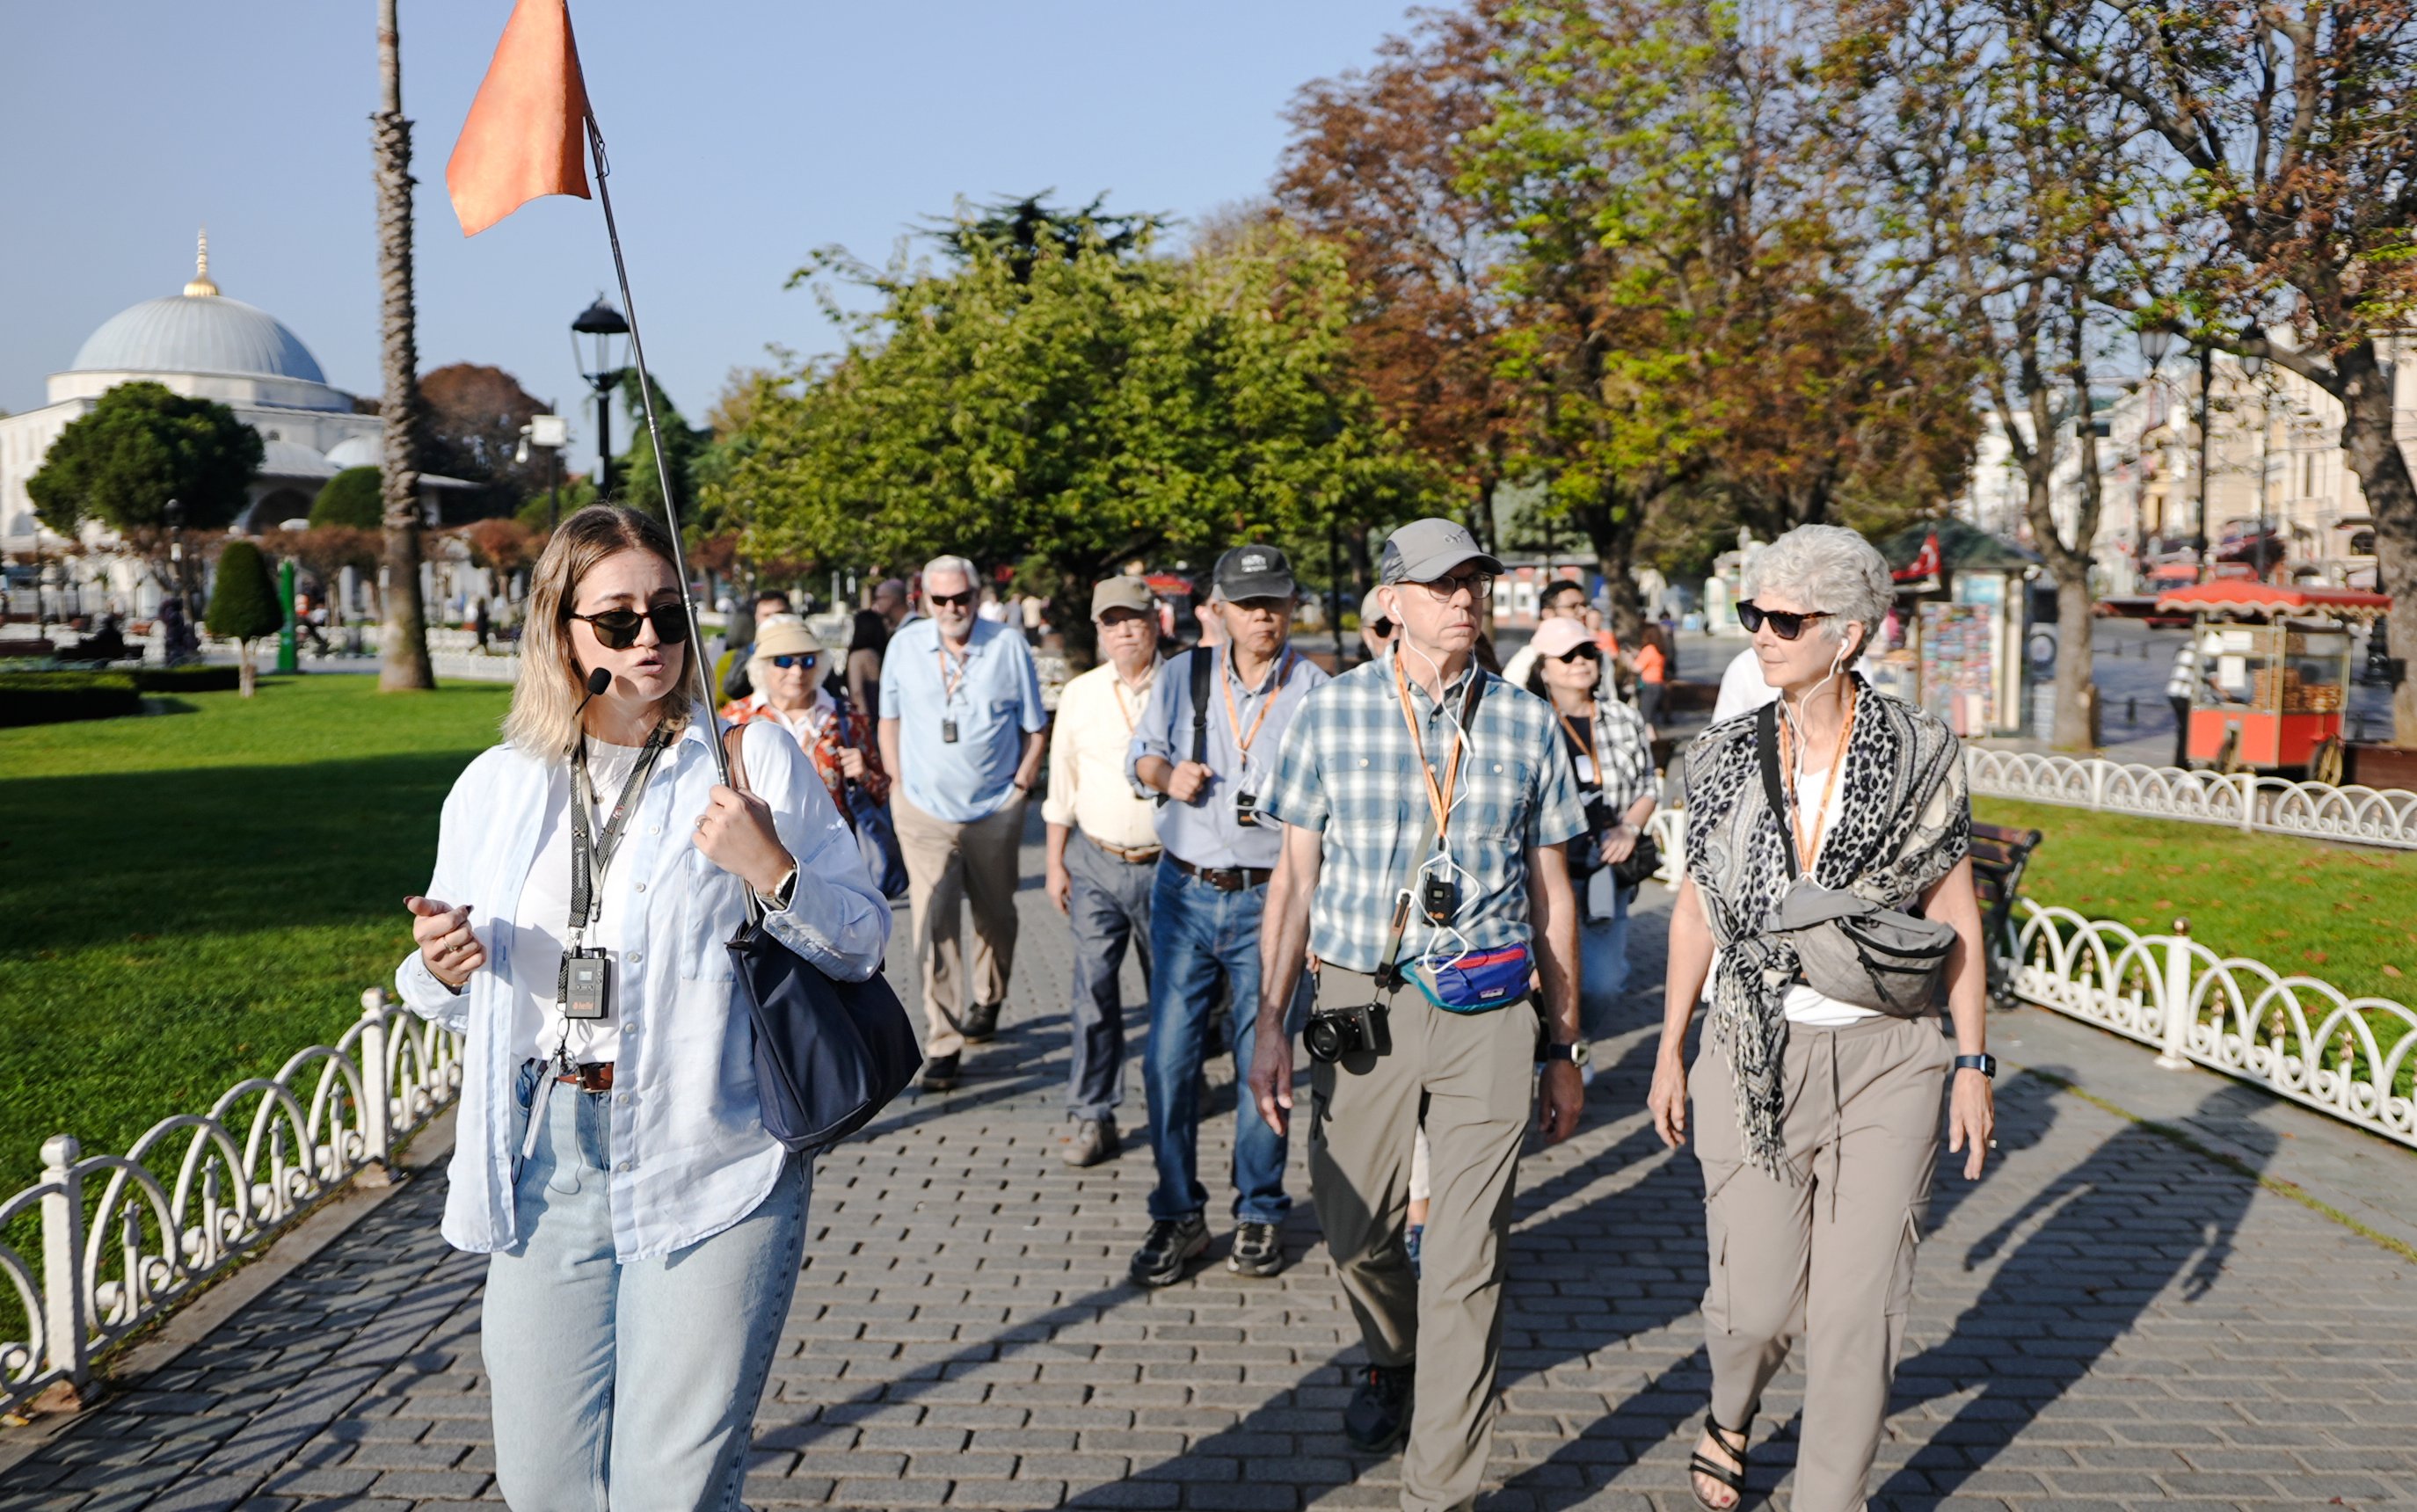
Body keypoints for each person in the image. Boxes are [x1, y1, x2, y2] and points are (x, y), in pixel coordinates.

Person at [394, 505, 889, 1508]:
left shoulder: (750, 763)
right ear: (562, 630)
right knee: (547, 1488)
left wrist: (776, 871)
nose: (651, 637)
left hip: (713, 1152)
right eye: (617, 619)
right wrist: (443, 968)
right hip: (550, 1156)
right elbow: (454, 995)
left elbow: (865, 936)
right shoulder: (498, 785)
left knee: (671, 1488)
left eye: (668, 612)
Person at [1645, 524, 1994, 1512]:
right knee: (1754, 1309)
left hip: (1890, 1055)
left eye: (1784, 618)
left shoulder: (1922, 751)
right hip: (1752, 1051)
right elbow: (1696, 909)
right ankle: (1729, 1409)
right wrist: (1669, 1050)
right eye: (1752, 612)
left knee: (1856, 1315)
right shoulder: (1720, 758)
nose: (1759, 631)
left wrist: (1973, 1063)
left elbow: (1954, 909)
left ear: (1846, 634)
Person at [1249, 517, 1589, 1511]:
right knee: (1355, 1229)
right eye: (1441, 584)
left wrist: (1563, 1043)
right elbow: (1294, 881)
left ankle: (1438, 1490)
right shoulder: (1330, 713)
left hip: (1488, 1004)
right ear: (1390, 602)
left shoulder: (1525, 724)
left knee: (1469, 1255)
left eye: (1474, 581)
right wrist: (1271, 1020)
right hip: (1359, 995)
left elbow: (1556, 895)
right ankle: (1391, 1355)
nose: (1463, 599)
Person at [1125, 544, 1329, 1286]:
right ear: (1217, 609)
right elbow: (1140, 757)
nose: (1261, 615)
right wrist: (1164, 775)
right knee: (1166, 1061)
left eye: (1273, 601)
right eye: (1247, 603)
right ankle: (1178, 1211)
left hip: (1269, 896)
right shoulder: (1182, 677)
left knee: (1263, 1058)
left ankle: (1260, 1209)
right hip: (1183, 888)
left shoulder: (1314, 688)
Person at [880, 554, 1049, 1092]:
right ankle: (943, 1040)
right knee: (934, 922)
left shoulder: (1007, 645)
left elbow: (1035, 726)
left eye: (963, 598)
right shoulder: (905, 646)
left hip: (994, 808)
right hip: (924, 811)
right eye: (941, 600)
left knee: (997, 918)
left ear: (978, 597)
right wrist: (897, 781)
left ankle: (990, 998)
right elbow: (889, 718)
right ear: (923, 600)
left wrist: (1022, 786)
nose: (953, 608)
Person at [1041, 578, 1167, 1167]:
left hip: (1169, 868)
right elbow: (1061, 780)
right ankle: (1093, 1113)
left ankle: (1173, 1102)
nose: (1122, 631)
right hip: (1093, 861)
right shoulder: (1082, 694)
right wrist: (1052, 863)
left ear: (1154, 622)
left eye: (1132, 619)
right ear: (1097, 630)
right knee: (1092, 993)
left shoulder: (1184, 686)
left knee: (1172, 997)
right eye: (1110, 621)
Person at [1525, 617, 1657, 1046]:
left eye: (1587, 653)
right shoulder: (1527, 722)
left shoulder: (1624, 719)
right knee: (1538, 976)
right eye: (1567, 656)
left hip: (1601, 869)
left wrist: (1630, 828)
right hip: (1539, 874)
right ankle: (1549, 1051)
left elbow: (1648, 788)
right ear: (1543, 668)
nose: (1580, 662)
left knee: (1602, 982)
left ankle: (1575, 1043)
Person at [720, 614, 889, 813]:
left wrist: (864, 774)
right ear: (762, 665)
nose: (797, 672)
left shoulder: (846, 717)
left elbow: (883, 792)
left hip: (833, 841)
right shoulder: (735, 718)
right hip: (757, 841)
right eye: (783, 661)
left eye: (807, 661)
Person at [1500, 578, 1591, 687]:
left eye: (1584, 605)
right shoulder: (1527, 660)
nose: (1583, 612)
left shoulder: (1594, 655)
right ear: (1547, 614)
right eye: (1572, 607)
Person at [843, 578, 905, 721]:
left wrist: (865, 723)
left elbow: (857, 692)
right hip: (887, 714)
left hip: (870, 717)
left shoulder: (858, 656)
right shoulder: (879, 654)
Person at [719, 589, 793, 702]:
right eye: (767, 615)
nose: (774, 620)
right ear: (757, 618)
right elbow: (731, 689)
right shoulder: (743, 653)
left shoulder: (808, 651)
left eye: (780, 613)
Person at [2166, 634, 2202, 767]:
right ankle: (2181, 765)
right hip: (2183, 694)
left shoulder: (2187, 645)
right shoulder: (2198, 648)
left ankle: (2181, 764)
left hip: (2173, 692)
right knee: (2186, 732)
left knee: (2183, 731)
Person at [1632, 623, 1670, 728]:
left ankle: (1650, 743)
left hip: (1649, 685)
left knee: (1646, 719)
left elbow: (1636, 667)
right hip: (1659, 684)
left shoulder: (1649, 649)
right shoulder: (1660, 649)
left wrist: (1629, 659)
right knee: (1651, 718)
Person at [1358, 587, 1396, 663]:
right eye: (1384, 627)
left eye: (1405, 627)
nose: (1395, 635)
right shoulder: (1360, 674)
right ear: (1365, 634)